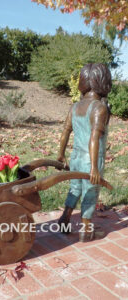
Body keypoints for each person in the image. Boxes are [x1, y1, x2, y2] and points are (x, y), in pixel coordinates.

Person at [57, 63, 112, 242]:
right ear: (103, 81)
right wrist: (95, 168)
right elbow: (94, 138)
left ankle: (65, 218)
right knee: (90, 192)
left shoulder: (75, 107)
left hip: (76, 157)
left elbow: (66, 131)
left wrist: (61, 155)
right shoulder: (98, 108)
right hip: (91, 159)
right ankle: (86, 230)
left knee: (75, 188)